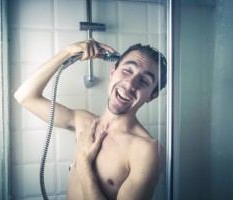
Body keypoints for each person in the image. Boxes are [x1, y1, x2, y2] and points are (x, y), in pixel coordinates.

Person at [14, 39, 167, 200]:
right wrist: (66, 52)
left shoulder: (147, 151)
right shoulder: (84, 122)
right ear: (112, 72)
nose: (130, 84)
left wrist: (83, 164)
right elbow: (24, 96)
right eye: (127, 70)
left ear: (152, 95)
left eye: (144, 81)